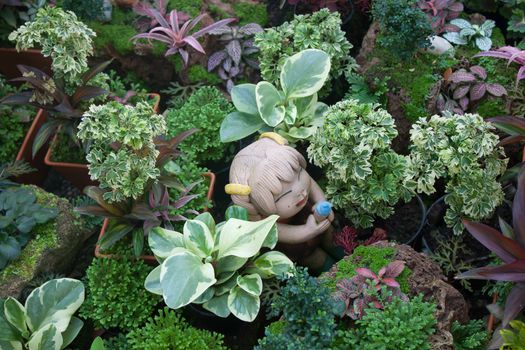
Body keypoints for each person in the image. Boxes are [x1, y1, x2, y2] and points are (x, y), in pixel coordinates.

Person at [226, 132, 337, 273]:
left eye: (298, 175)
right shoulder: (265, 221)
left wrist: (321, 201)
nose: (300, 191)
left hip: (312, 217)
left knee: (334, 240)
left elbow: (311, 184)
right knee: (318, 261)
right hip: (300, 247)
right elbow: (282, 233)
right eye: (283, 195)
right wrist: (308, 231)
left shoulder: (302, 193)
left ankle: (349, 252)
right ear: (257, 205)